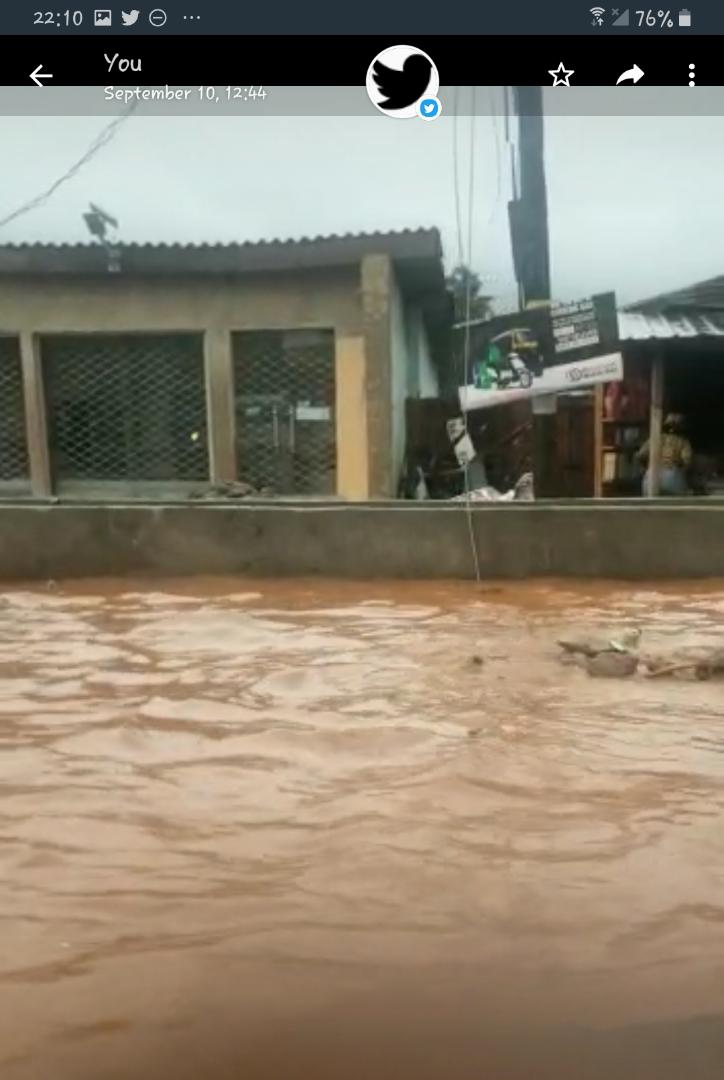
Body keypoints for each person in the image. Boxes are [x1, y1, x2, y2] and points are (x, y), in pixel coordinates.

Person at [637, 413, 693, 496]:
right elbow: (686, 461)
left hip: (650, 478)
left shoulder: (654, 439)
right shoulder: (683, 442)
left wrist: (647, 467)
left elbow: (640, 455)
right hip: (672, 478)